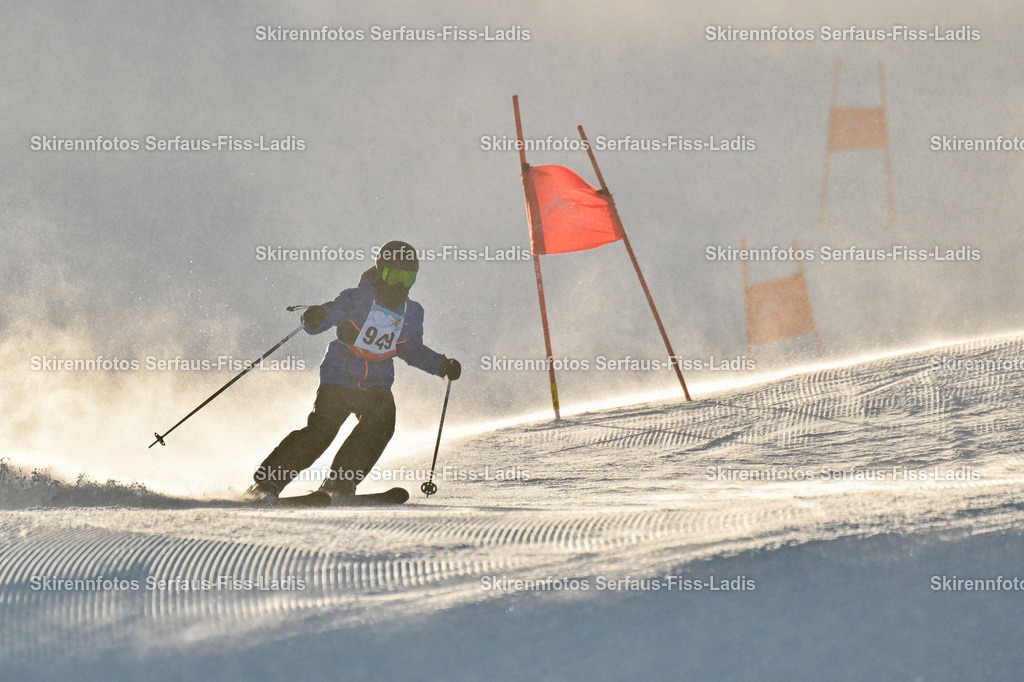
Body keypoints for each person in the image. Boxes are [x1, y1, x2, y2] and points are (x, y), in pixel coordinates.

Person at [247, 240, 461, 500]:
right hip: (339, 377)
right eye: (394, 276)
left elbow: (411, 349)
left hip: (376, 384)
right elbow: (326, 315)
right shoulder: (357, 299)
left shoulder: (412, 312)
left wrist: (441, 365)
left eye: (407, 278)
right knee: (322, 430)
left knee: (382, 423)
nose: (399, 285)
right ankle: (268, 482)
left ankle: (340, 481)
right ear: (380, 271)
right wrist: (314, 317)